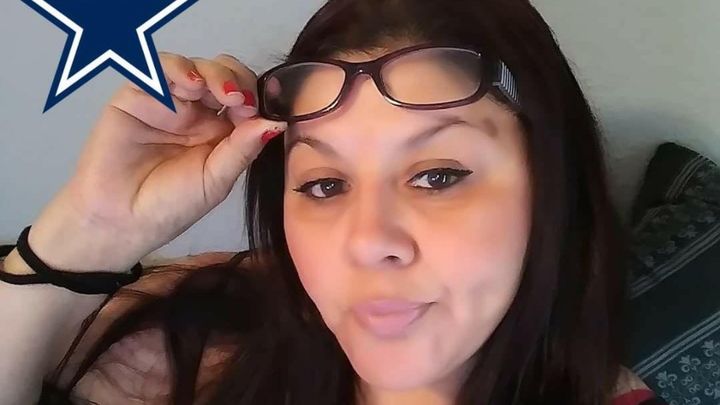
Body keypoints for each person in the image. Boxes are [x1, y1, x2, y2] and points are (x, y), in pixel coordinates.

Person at [0, 0, 669, 404]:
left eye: (437, 175)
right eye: (324, 184)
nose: (366, 240)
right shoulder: (186, 342)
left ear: (554, 188)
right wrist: (90, 229)